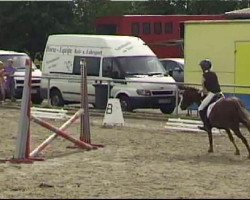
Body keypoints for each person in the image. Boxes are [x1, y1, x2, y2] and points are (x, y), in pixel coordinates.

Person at [197, 59, 224, 132]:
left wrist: (202, 91)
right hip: (220, 93)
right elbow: (214, 85)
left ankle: (206, 125)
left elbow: (205, 89)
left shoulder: (204, 76)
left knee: (201, 108)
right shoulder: (214, 74)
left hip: (212, 94)